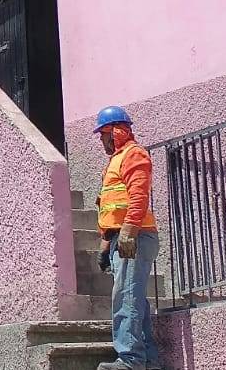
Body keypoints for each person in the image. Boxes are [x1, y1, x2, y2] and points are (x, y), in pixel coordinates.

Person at [93, 106, 162, 370]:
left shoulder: (133, 154)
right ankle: (147, 360)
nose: (101, 140)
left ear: (117, 131)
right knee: (134, 299)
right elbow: (110, 208)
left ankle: (130, 360)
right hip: (121, 238)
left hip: (135, 237)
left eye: (103, 134)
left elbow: (138, 196)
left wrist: (129, 232)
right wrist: (105, 245)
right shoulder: (116, 160)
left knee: (126, 298)